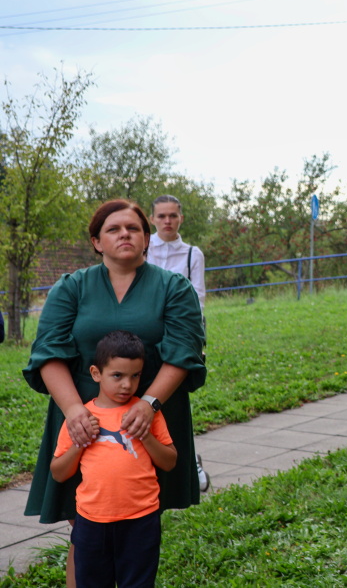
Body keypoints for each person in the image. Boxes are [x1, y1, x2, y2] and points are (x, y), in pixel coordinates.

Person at [23, 199, 205, 588]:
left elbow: (184, 352)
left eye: (134, 228)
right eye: (113, 229)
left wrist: (148, 404)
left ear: (147, 239)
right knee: (83, 525)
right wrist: (74, 411)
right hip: (81, 417)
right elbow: (47, 353)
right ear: (96, 242)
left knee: (139, 518)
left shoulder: (174, 287)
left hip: (150, 414)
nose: (125, 234)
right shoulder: (71, 287)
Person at [51, 330, 176, 588]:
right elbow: (58, 473)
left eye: (135, 376)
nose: (127, 385)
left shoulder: (145, 414)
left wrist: (146, 436)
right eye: (117, 376)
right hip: (92, 522)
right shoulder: (81, 418)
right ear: (96, 373)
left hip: (141, 520)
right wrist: (80, 443)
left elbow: (169, 461)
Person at [145, 194, 210, 493]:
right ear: (152, 219)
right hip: (146, 332)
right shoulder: (143, 248)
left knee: (175, 398)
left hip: (180, 335)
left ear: (181, 218)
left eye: (173, 215)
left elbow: (198, 298)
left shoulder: (192, 254)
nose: (167, 221)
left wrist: (195, 339)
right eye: (162, 216)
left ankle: (189, 459)